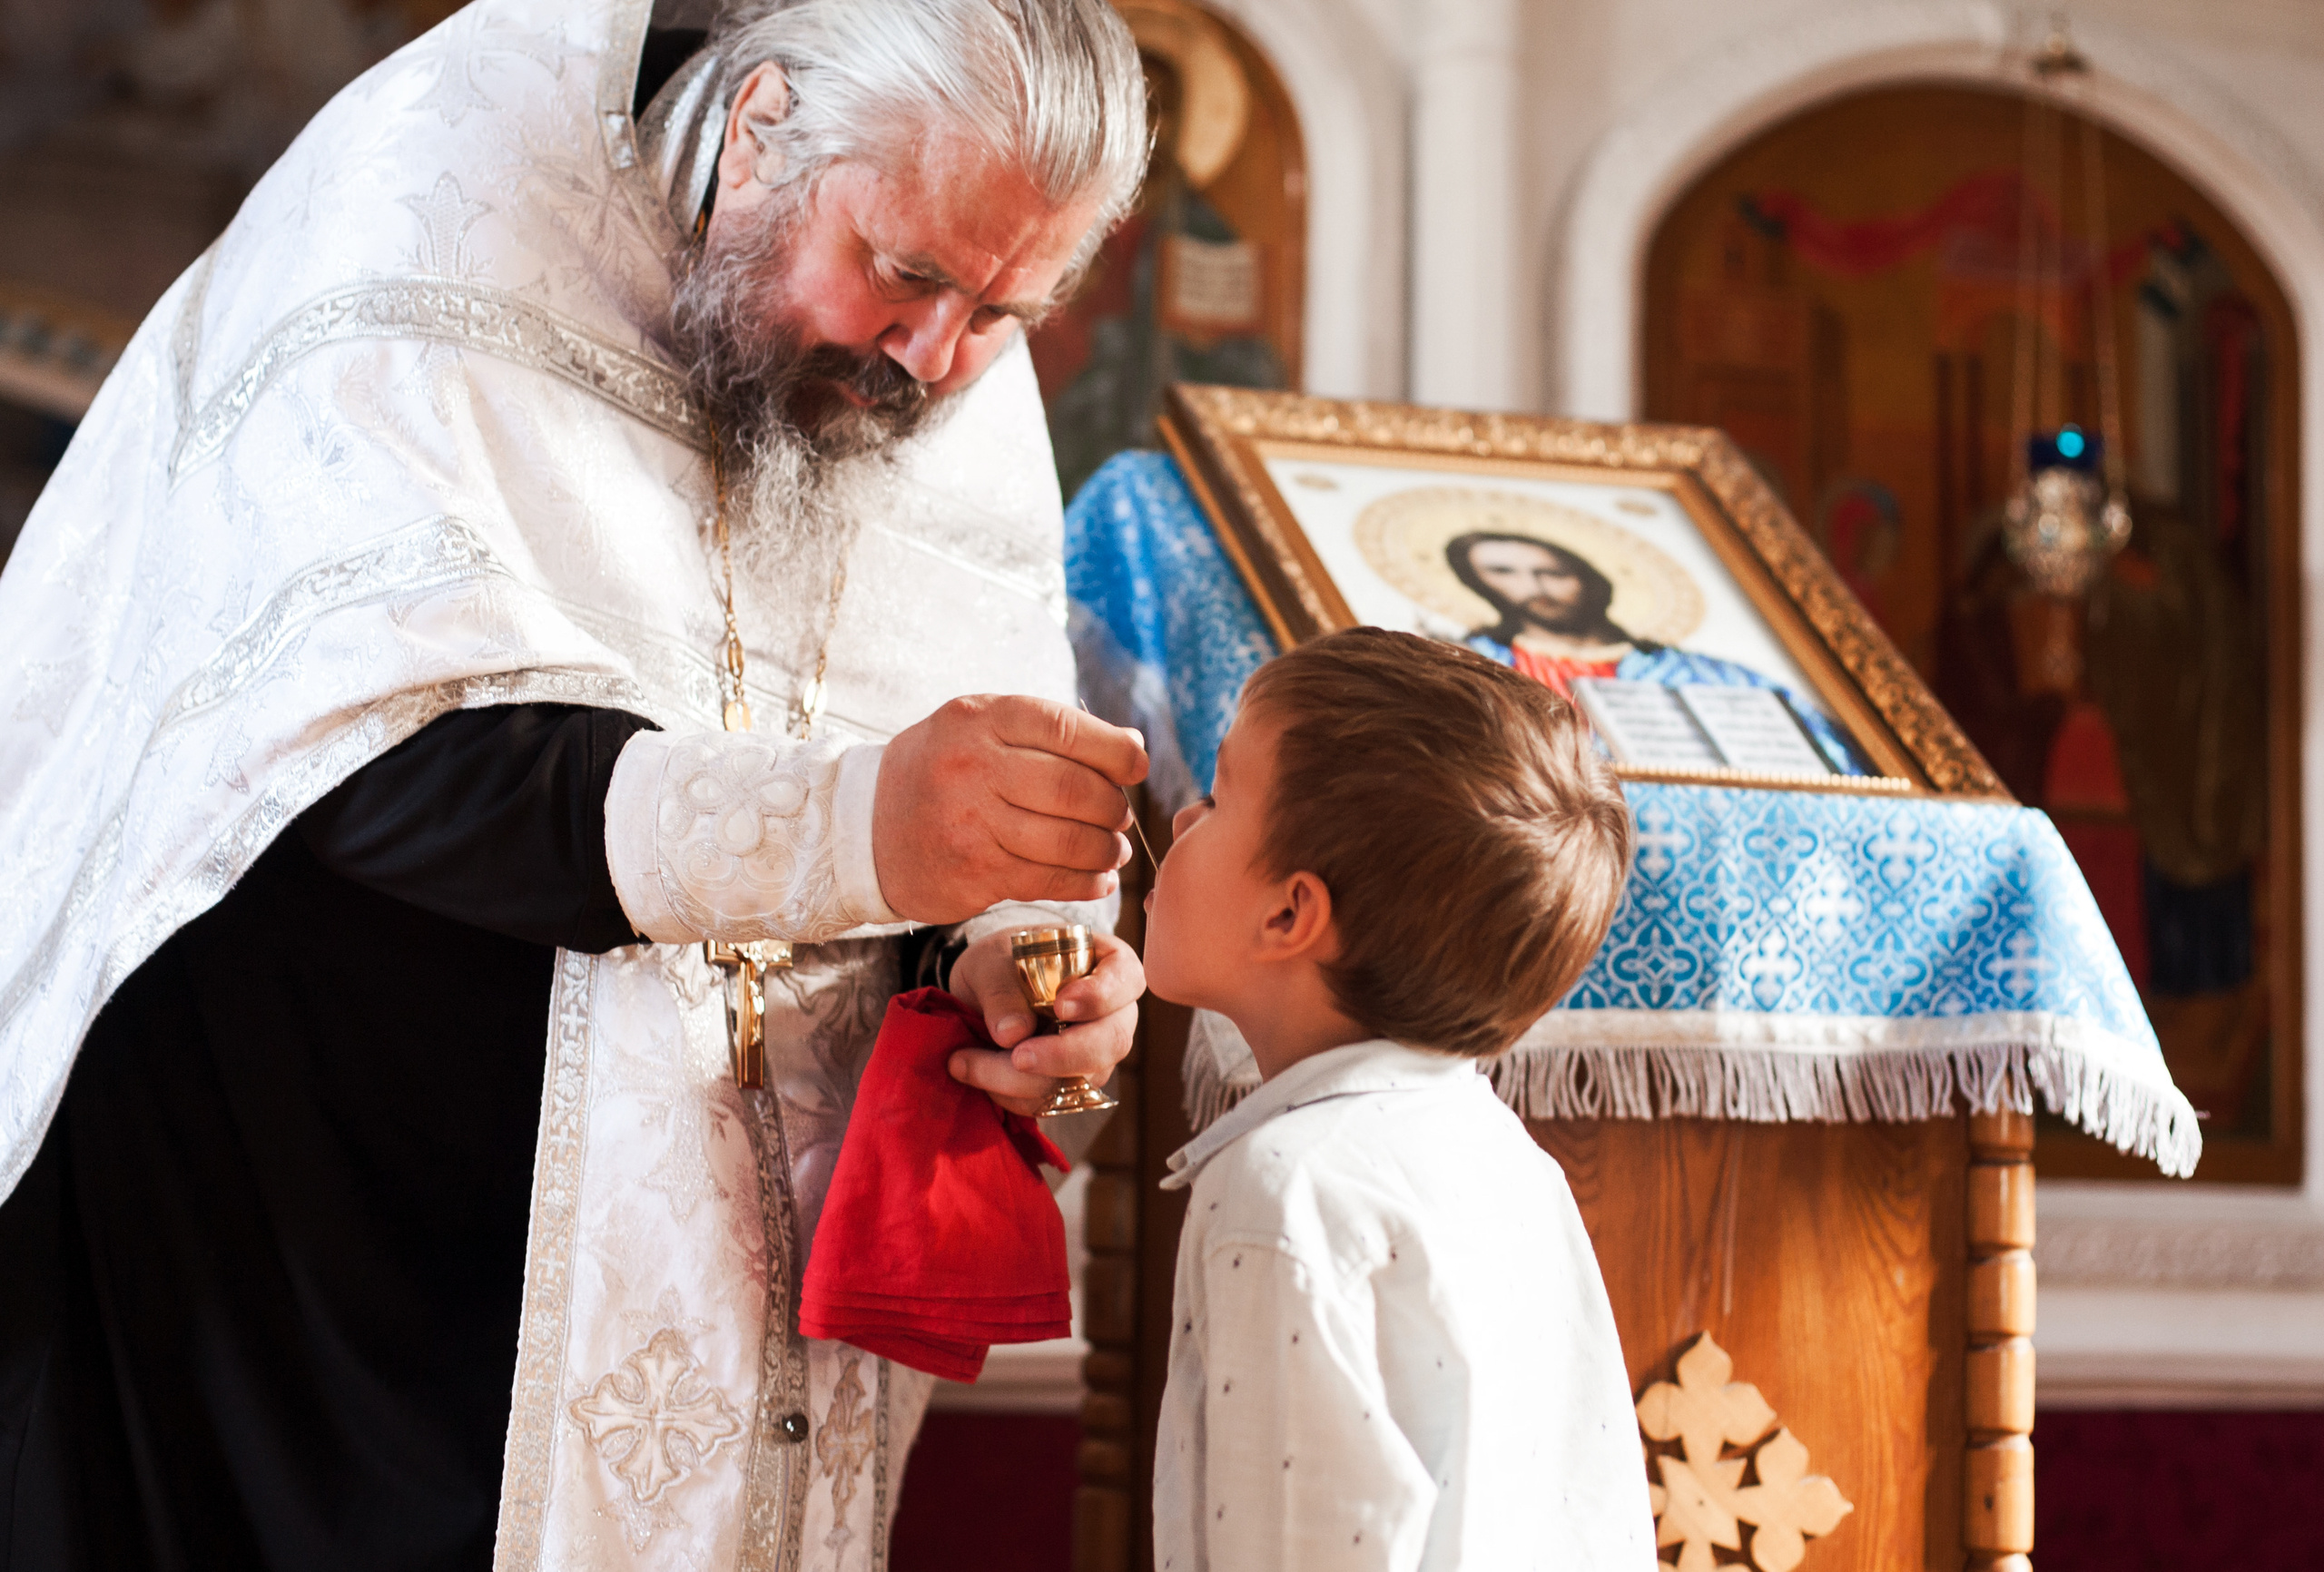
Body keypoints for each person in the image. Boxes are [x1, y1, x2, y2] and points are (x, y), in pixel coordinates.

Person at [0, 0, 1150, 1566]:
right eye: (910, 273)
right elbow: (360, 755)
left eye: (1007, 309)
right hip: (313, 1282)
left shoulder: (945, 360)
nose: (937, 360)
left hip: (738, 1310)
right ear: (759, 127)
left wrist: (1025, 969)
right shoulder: (441, 198)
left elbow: (949, 789)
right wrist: (857, 826)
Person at [1141, 627, 1658, 1570]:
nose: (1177, 820)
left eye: (1215, 798)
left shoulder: (1279, 1192)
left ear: (1289, 914)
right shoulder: (1499, 1154)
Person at [1448, 530, 1864, 773]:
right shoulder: (1469, 671)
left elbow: (1839, 768)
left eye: (1553, 572)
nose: (1536, 587)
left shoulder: (1715, 677)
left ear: (1589, 581)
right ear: (1478, 584)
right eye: (1504, 572)